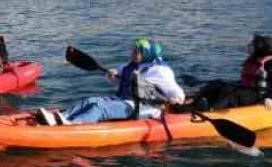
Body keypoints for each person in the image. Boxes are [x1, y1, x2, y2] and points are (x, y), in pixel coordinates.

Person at [37, 38, 185, 126]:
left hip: (144, 108)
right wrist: (112, 75)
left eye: (137, 51)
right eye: (133, 49)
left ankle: (73, 125)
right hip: (124, 100)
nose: (132, 53)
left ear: (146, 54)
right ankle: (62, 118)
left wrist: (176, 98)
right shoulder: (130, 65)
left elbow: (175, 91)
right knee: (90, 100)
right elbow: (118, 80)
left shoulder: (160, 71)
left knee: (100, 108)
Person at [188, 34, 272, 111]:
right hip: (247, 89)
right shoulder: (254, 59)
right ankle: (194, 104)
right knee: (219, 84)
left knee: (232, 96)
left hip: (260, 94)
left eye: (252, 45)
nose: (249, 46)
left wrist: (270, 98)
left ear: (260, 48)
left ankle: (211, 111)